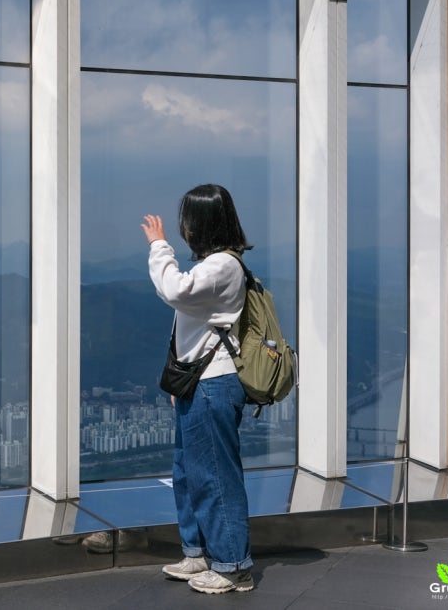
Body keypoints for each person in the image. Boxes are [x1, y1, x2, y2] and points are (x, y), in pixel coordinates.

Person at [139, 183, 254, 594]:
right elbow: (194, 325)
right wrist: (182, 378)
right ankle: (199, 553)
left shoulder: (223, 265)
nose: (182, 226)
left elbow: (173, 290)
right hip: (199, 381)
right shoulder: (215, 264)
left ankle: (232, 565)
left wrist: (159, 246)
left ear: (201, 223)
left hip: (215, 383)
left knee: (215, 476)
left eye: (187, 217)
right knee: (188, 472)